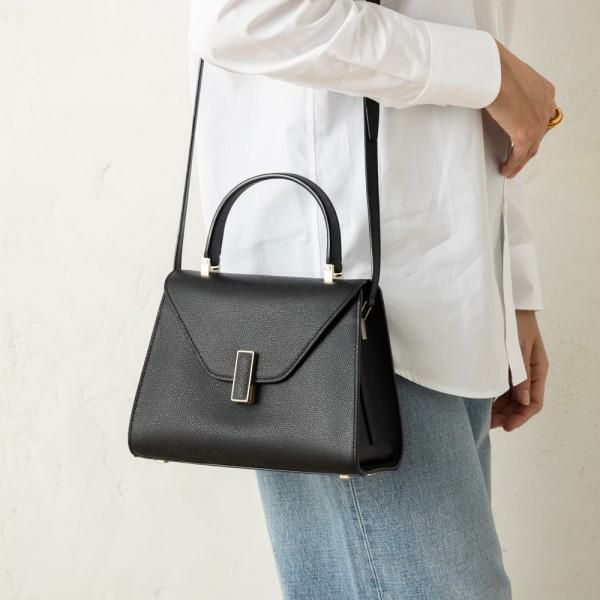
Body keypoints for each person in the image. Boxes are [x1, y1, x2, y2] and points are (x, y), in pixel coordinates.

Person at [188, 1, 559, 598]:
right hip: (341, 317)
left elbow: (485, 72)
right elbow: (244, 16)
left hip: (455, 296)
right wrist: (484, 69)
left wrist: (511, 282)